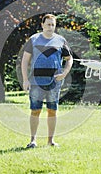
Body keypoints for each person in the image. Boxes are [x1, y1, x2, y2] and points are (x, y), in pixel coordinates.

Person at [21, 14, 73, 148]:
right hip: (35, 82)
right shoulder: (33, 40)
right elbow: (25, 60)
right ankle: (32, 140)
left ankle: (50, 141)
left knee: (52, 111)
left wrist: (64, 73)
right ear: (42, 25)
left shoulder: (61, 40)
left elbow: (69, 59)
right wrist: (25, 80)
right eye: (48, 24)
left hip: (54, 83)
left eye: (53, 25)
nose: (50, 27)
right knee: (35, 110)